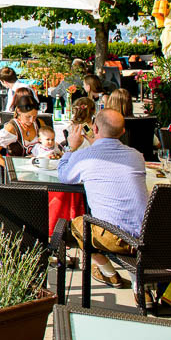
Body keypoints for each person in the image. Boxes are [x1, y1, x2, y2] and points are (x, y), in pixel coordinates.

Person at [59, 110, 146, 290]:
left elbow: (64, 176)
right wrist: (95, 139)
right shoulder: (136, 156)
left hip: (115, 239)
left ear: (95, 128)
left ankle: (108, 272)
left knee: (78, 224)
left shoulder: (84, 156)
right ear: (122, 132)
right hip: (145, 234)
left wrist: (71, 148)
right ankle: (138, 285)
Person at [0, 95, 41, 167]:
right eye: (28, 117)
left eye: (34, 116)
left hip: (36, 167)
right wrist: (11, 168)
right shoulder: (11, 129)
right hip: (17, 170)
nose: (31, 120)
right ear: (19, 111)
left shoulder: (38, 123)